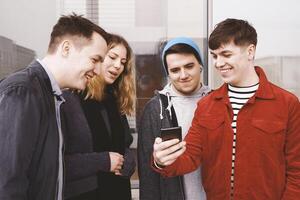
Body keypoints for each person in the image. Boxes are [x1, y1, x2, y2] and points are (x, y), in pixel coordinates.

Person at [152, 18, 300, 199]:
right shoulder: (207, 105)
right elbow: (190, 156)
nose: (218, 63)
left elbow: (296, 170)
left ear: (250, 51)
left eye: (226, 54)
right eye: (214, 56)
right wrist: (162, 161)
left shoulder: (287, 103)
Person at [0, 14, 109, 200]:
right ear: (66, 48)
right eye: (95, 59)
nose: (98, 70)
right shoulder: (23, 90)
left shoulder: (51, 95)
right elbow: (8, 183)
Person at [62, 34, 136, 200]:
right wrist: (102, 161)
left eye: (123, 62)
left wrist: (129, 161)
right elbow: (56, 162)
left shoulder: (115, 101)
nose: (118, 66)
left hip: (119, 192)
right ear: (98, 57)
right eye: (113, 57)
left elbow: (125, 145)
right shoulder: (69, 99)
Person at [138, 37, 211, 200]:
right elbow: (147, 172)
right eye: (175, 70)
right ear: (168, 73)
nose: (183, 75)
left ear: (200, 65)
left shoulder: (217, 102)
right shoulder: (156, 109)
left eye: (189, 66)